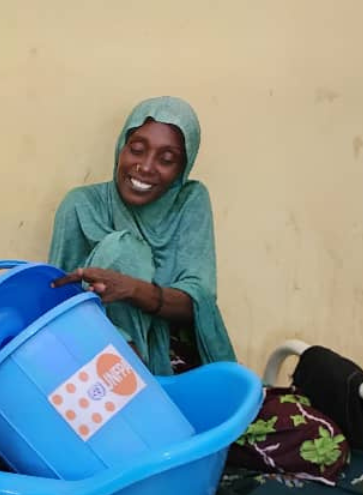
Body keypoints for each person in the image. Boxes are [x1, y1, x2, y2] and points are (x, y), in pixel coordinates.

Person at [48, 96, 236, 375]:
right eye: (137, 149)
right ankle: (131, 383)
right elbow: (58, 304)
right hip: (95, 364)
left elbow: (198, 299)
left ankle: (145, 389)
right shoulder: (81, 206)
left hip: (176, 360)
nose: (146, 167)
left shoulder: (189, 201)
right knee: (123, 250)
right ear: (121, 149)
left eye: (167, 159)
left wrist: (131, 289)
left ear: (181, 171)